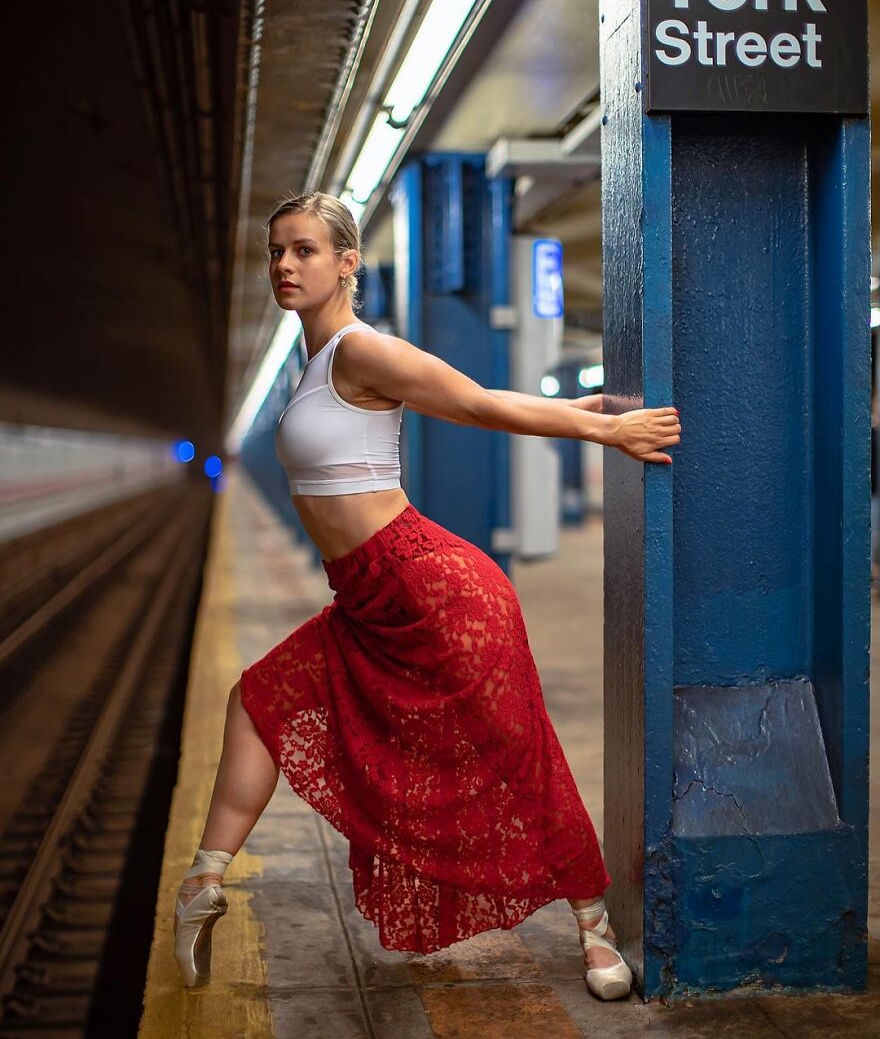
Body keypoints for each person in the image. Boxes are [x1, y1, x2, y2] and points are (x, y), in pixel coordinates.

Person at [173, 191, 681, 1000]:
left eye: (304, 250)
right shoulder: (313, 366)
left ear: (347, 263)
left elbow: (473, 401)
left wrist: (603, 430)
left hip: (434, 588)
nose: (284, 266)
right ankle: (202, 882)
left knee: (514, 754)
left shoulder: (359, 351)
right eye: (276, 251)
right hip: (367, 600)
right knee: (256, 699)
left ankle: (594, 927)